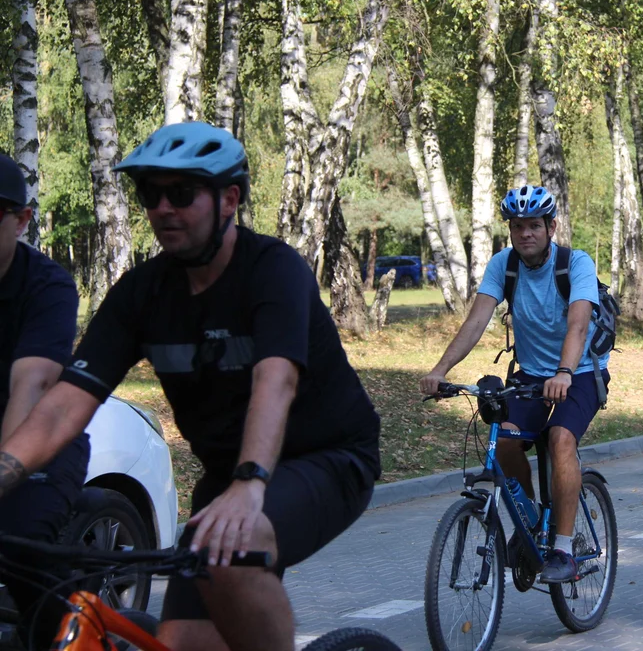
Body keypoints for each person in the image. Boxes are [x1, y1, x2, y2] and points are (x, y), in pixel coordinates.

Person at [0, 123, 381, 651]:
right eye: (149, 194)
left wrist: (250, 484)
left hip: (328, 459)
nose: (162, 208)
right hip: (229, 479)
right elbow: (64, 406)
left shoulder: (273, 271)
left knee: (234, 546)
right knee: (181, 641)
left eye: (180, 193)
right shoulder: (141, 293)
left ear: (229, 199)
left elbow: (277, 380)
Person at [419, 185, 610, 584]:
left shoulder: (575, 263)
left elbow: (577, 324)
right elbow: (475, 322)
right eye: (518, 226)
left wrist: (564, 373)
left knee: (560, 439)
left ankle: (562, 547)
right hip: (529, 375)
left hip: (580, 371)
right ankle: (531, 522)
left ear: (551, 227)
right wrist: (440, 370)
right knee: (502, 439)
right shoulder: (503, 265)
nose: (526, 233)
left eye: (534, 226)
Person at [0, 154, 88, 650]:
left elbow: (30, 388)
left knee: (20, 543)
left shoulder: (48, 285)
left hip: (41, 436)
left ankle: (60, 638)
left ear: (22, 220)